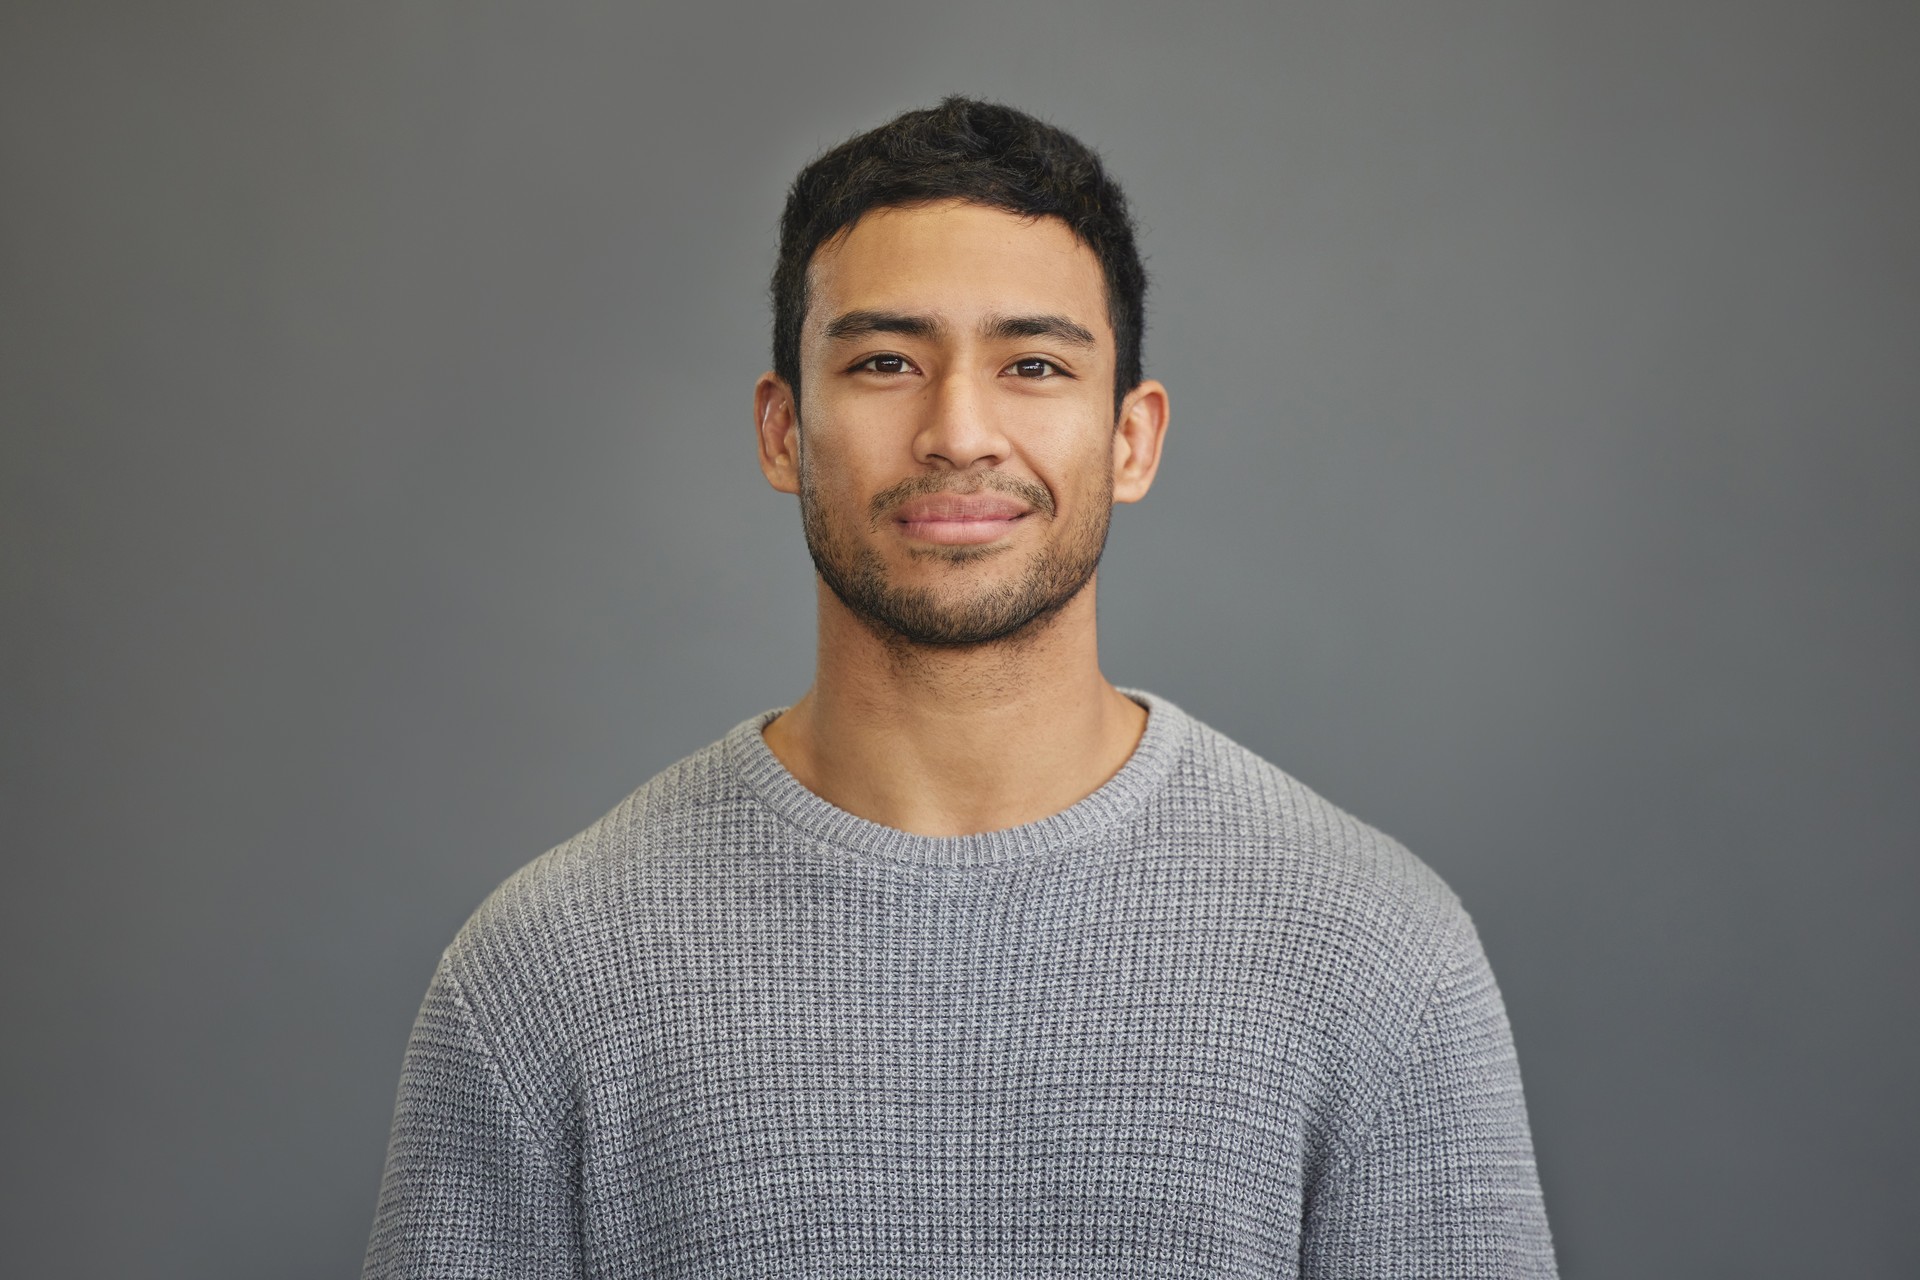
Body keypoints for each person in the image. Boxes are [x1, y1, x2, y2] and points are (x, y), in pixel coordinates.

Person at [363, 97, 1556, 1278]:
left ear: (1131, 439)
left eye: (1033, 363)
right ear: (783, 430)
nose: (959, 430)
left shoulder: (1381, 955)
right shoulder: (541, 975)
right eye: (886, 361)